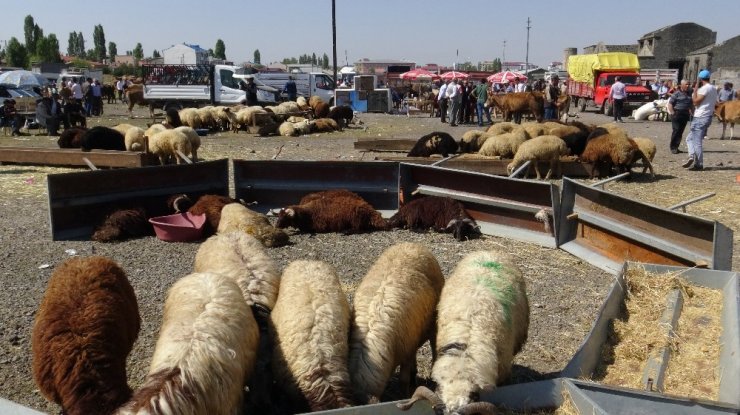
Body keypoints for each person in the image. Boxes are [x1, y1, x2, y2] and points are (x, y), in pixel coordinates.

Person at [682, 70, 718, 171]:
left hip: (700, 117)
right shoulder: (713, 88)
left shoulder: (704, 89)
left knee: (696, 141)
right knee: (690, 138)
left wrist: (694, 91)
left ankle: (699, 163)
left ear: (701, 79)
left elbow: (695, 102)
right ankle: (691, 156)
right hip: (708, 116)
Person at [666, 79, 693, 154]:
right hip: (677, 113)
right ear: (682, 85)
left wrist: (692, 112)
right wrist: (672, 113)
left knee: (680, 131)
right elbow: (670, 104)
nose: (688, 86)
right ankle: (673, 147)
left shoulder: (689, 93)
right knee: (676, 130)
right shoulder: (676, 93)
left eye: (689, 84)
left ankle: (676, 147)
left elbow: (691, 104)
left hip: (685, 114)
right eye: (687, 84)